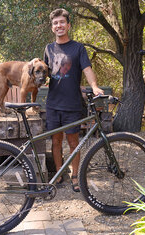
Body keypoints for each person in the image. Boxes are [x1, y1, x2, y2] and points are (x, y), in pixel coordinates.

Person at [44, 9, 104, 192]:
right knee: (55, 142)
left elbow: (87, 69)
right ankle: (58, 174)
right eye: (56, 23)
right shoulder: (48, 48)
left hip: (72, 104)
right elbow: (43, 72)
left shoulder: (78, 48)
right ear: (52, 27)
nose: (59, 26)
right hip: (53, 103)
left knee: (72, 142)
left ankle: (75, 175)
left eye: (62, 22)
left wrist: (94, 86)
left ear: (68, 25)